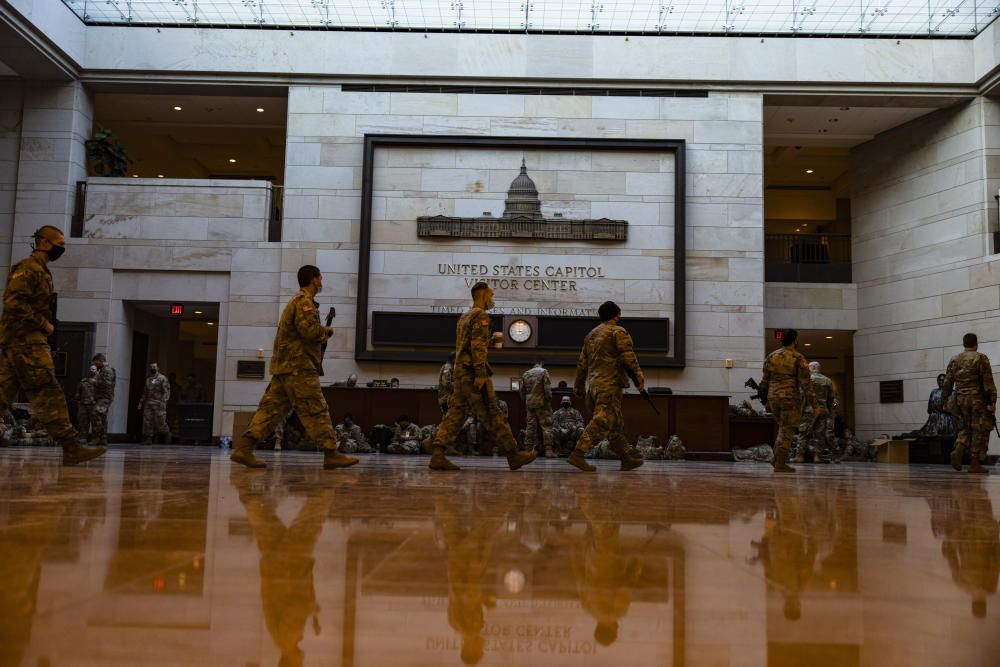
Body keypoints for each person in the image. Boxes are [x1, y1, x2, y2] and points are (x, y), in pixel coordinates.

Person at [231, 265, 358, 470]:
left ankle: (244, 449)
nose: (321, 282)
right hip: (299, 369)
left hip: (284, 370)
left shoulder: (296, 301)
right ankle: (331, 453)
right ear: (314, 279)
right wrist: (327, 331)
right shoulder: (304, 302)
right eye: (320, 278)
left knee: (270, 410)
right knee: (317, 409)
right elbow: (309, 331)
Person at [0, 225, 105, 464]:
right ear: (45, 242)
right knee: (48, 392)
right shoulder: (29, 269)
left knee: (2, 392)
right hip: (26, 341)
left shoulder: (40, 270)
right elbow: (14, 303)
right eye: (60, 243)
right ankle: (71, 447)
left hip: (18, 342)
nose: (62, 248)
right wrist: (43, 324)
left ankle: (71, 447)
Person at [428, 282, 537, 472]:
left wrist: (489, 340)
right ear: (483, 295)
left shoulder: (464, 317)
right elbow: (477, 347)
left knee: (455, 414)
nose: (492, 299)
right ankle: (513, 455)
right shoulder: (481, 315)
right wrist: (480, 373)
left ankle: (437, 454)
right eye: (491, 295)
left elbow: (468, 344)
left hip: (461, 373)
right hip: (473, 374)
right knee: (492, 412)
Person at [570, 301, 645, 473]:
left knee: (615, 423)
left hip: (594, 386)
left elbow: (582, 363)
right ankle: (578, 453)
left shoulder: (591, 334)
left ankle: (627, 458)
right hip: (610, 385)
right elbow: (629, 359)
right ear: (617, 315)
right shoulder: (618, 332)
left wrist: (579, 385)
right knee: (603, 420)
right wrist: (639, 379)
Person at [759, 329, 814, 473]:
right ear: (795, 340)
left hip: (773, 398)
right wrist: (815, 405)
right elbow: (806, 384)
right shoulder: (797, 357)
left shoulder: (771, 356)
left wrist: (764, 398)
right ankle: (780, 463)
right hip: (789, 398)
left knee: (783, 428)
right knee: (788, 430)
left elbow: (764, 381)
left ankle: (776, 459)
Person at [942, 333, 997, 473]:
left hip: (959, 400)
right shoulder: (981, 358)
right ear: (976, 343)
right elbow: (988, 383)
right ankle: (974, 464)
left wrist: (945, 401)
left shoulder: (954, 359)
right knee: (979, 429)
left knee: (965, 429)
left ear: (964, 344)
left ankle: (959, 449)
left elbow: (947, 383)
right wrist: (992, 402)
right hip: (977, 400)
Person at [800, 361, 838, 464]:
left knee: (803, 433)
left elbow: (802, 395)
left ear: (811, 368)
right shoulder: (828, 380)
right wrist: (829, 412)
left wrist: (800, 410)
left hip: (809, 410)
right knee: (819, 434)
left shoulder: (807, 379)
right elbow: (831, 398)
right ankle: (817, 457)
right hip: (823, 410)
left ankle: (800, 456)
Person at [520, 358, 555, 456]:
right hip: (541, 402)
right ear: (542, 363)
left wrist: (526, 400)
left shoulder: (525, 374)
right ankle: (548, 450)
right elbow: (547, 388)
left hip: (529, 402)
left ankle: (528, 449)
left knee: (530, 426)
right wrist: (548, 399)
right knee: (546, 425)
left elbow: (522, 391)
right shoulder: (544, 372)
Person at [138, 362, 171, 445]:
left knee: (160, 421)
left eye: (154, 366)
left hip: (159, 404)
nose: (152, 368)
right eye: (151, 367)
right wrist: (141, 402)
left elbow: (166, 391)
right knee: (147, 421)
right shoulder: (148, 380)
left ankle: (167, 435)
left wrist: (164, 401)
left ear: (158, 368)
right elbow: (145, 392)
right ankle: (148, 439)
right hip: (148, 404)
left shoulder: (162, 378)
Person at [89, 353, 116, 448]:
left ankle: (96, 437)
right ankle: (103, 438)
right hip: (101, 397)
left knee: (95, 413)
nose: (95, 365)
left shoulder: (107, 370)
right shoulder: (102, 370)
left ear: (101, 361)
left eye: (96, 363)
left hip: (105, 397)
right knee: (102, 417)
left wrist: (95, 381)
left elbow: (107, 383)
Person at [75, 366, 97, 443]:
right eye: (90, 369)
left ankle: (95, 439)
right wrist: (77, 399)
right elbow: (78, 392)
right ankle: (82, 437)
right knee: (82, 421)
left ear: (97, 371)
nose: (92, 370)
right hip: (83, 404)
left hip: (94, 405)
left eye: (94, 369)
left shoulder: (99, 381)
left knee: (95, 423)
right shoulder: (83, 381)